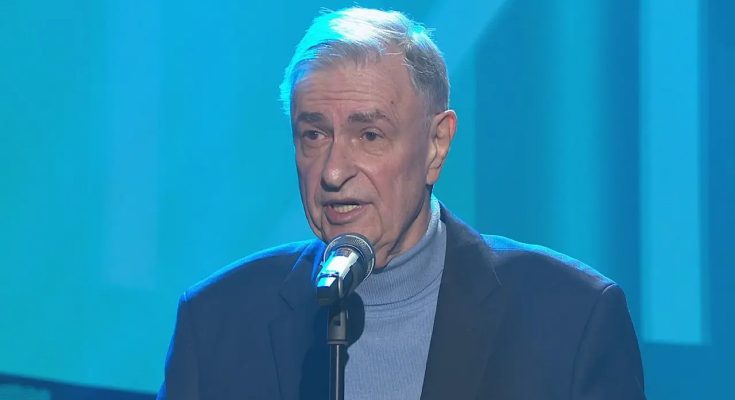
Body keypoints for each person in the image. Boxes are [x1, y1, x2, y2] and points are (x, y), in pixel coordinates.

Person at [157, 7, 645, 400]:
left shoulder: (572, 320)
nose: (333, 171)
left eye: (369, 135)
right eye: (314, 135)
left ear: (436, 146)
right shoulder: (216, 322)